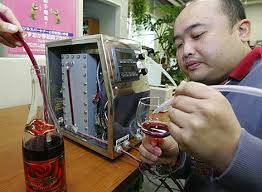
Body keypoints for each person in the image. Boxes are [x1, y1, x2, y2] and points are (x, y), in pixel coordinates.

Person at [139, 0, 262, 191]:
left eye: (197, 35)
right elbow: (202, 171)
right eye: (179, 44)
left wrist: (231, 151)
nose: (186, 51)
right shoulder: (207, 85)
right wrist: (178, 157)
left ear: (242, 31)